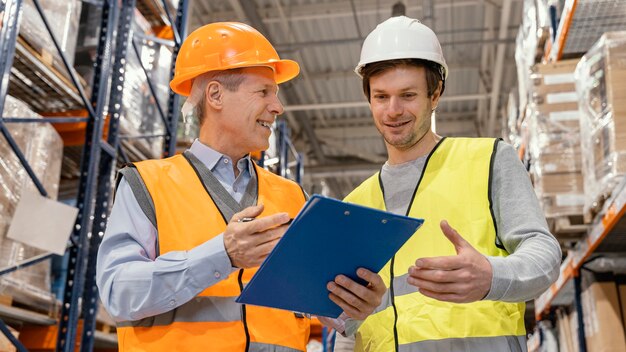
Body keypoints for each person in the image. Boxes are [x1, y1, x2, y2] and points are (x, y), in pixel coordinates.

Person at [96, 22, 385, 351]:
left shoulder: (293, 197)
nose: (277, 107)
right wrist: (222, 254)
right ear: (216, 95)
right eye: (263, 92)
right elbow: (118, 292)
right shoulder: (147, 183)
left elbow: (330, 306)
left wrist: (357, 305)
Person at [333, 16, 562, 352]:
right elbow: (349, 331)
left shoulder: (488, 159)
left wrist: (490, 277)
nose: (393, 110)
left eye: (407, 95)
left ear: (435, 94)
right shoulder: (354, 203)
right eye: (381, 97)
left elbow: (545, 256)